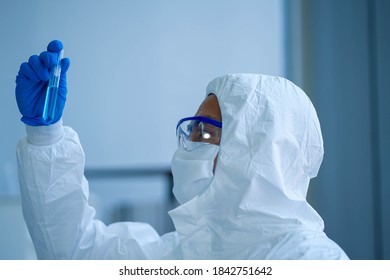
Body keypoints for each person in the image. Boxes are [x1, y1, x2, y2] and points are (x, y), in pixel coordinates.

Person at [15, 40, 349, 259]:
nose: (189, 146)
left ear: (258, 153)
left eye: (205, 133)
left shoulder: (309, 258)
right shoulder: (187, 251)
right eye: (191, 131)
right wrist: (46, 135)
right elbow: (76, 255)